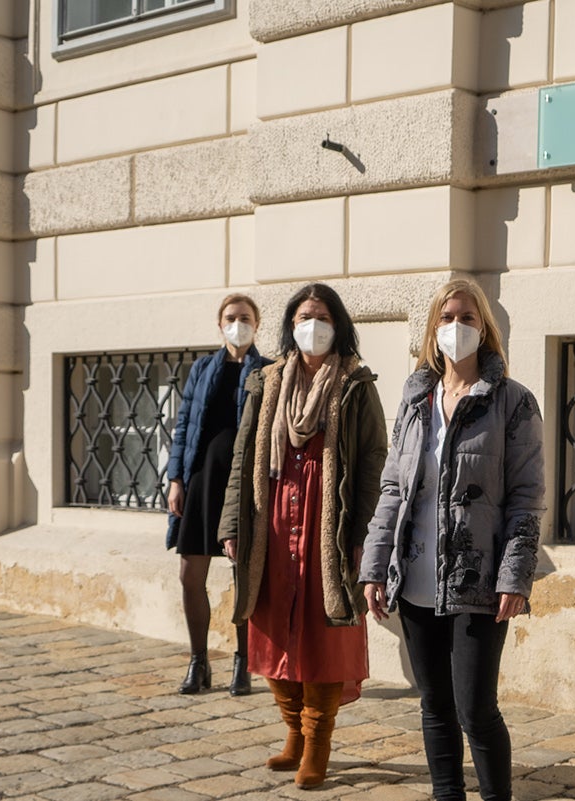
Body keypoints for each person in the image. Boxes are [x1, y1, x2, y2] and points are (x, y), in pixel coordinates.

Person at [361, 278, 545, 801]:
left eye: (467, 318)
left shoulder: (513, 401)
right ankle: (446, 794)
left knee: (475, 710)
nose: (456, 328)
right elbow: (393, 486)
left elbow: (527, 498)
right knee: (434, 704)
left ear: (484, 328)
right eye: (447, 319)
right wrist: (375, 565)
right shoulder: (415, 397)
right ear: (432, 330)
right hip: (416, 576)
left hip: (477, 580)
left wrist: (516, 575)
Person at [219, 282, 388, 790]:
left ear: (338, 325)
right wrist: (232, 524)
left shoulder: (356, 383)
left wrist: (364, 533)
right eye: (301, 317)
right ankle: (292, 734)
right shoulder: (265, 381)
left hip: (326, 527)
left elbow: (373, 464)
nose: (311, 326)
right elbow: (242, 456)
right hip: (271, 525)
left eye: (321, 317)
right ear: (289, 326)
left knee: (322, 638)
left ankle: (318, 744)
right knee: (270, 630)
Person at [166, 293, 270, 696]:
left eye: (245, 317)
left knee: (244, 575)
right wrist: (176, 479)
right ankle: (199, 662)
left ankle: (243, 663)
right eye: (231, 317)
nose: (237, 323)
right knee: (190, 574)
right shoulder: (203, 368)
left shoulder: (267, 370)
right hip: (201, 482)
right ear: (219, 323)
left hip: (242, 487)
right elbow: (184, 425)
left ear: (256, 323)